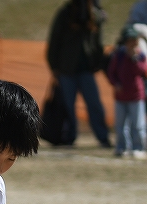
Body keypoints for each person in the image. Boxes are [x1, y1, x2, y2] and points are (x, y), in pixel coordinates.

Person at [47, 0, 111, 147]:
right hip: (66, 68)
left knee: (94, 104)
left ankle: (103, 137)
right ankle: (69, 137)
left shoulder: (94, 14)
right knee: (68, 106)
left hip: (86, 69)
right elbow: (55, 39)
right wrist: (54, 65)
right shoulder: (66, 13)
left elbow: (97, 41)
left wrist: (98, 61)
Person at [106, 26, 147, 158]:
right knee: (120, 125)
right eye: (129, 41)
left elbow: (142, 71)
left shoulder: (140, 55)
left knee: (138, 125)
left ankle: (138, 148)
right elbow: (111, 73)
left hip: (136, 96)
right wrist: (116, 83)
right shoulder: (118, 55)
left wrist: (134, 59)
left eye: (133, 40)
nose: (131, 43)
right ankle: (122, 147)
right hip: (121, 96)